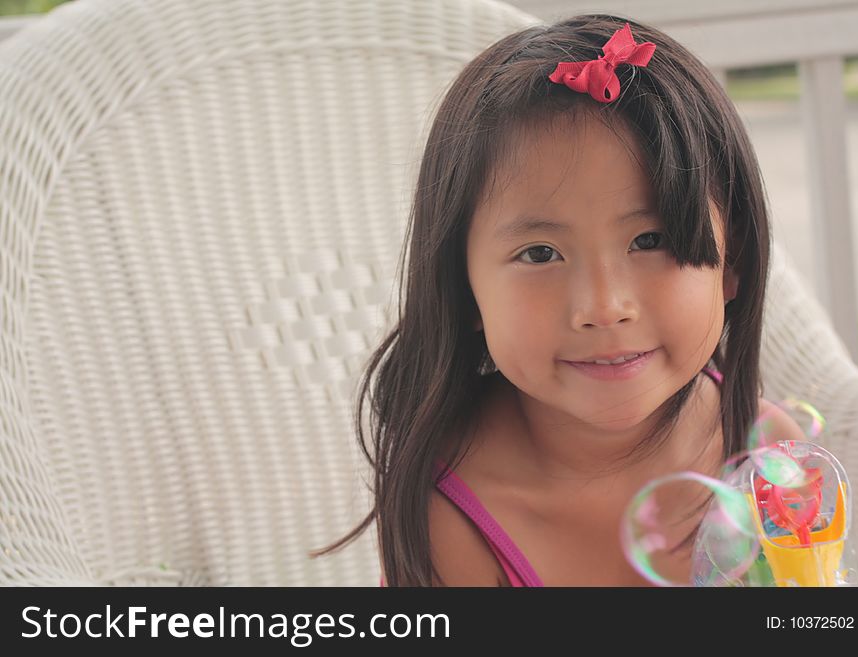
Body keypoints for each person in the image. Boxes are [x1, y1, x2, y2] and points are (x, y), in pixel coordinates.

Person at [311, 14, 804, 586]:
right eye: (540, 254)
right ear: (462, 287)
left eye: (651, 240)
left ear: (731, 263)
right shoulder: (450, 516)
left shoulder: (770, 457)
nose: (603, 306)